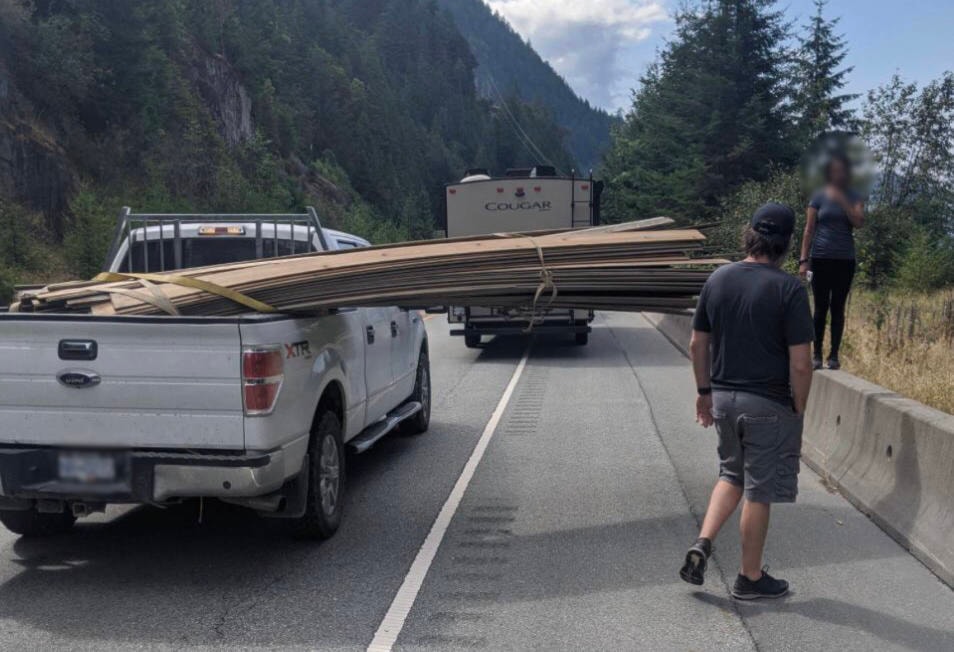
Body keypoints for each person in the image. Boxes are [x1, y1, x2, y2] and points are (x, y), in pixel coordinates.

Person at [679, 203, 814, 600]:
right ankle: (749, 577)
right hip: (768, 404)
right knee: (758, 489)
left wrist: (704, 393)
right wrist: (798, 407)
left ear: (749, 234)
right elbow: (802, 364)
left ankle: (703, 542)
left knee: (730, 474)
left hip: (723, 398)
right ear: (787, 243)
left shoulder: (718, 279)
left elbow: (696, 344)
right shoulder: (789, 289)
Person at [798, 154, 865, 370]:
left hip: (844, 259)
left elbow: (859, 222)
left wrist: (844, 201)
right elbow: (809, 230)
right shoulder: (818, 196)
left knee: (838, 307)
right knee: (820, 307)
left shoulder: (855, 195)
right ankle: (816, 354)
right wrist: (803, 260)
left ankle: (834, 355)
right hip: (820, 257)